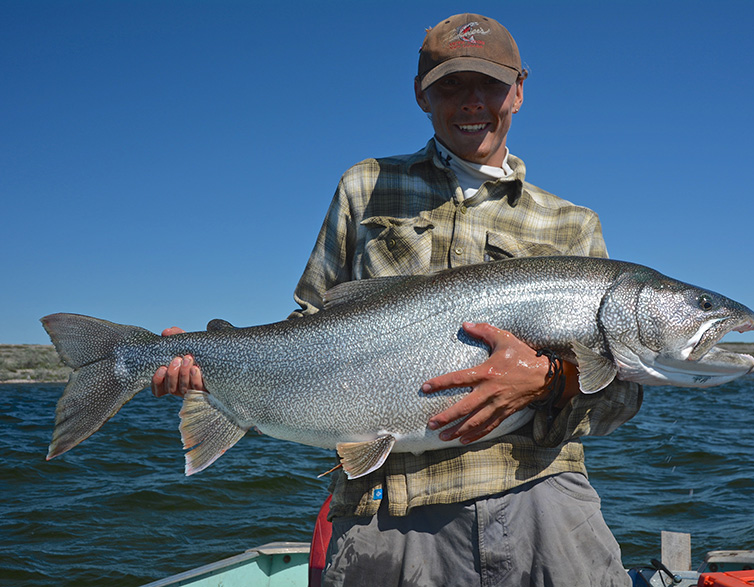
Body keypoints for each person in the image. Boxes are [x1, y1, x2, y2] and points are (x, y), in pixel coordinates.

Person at [153, 13, 642, 586]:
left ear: (519, 90)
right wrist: (214, 363)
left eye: (488, 83)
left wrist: (547, 381)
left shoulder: (574, 226)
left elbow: (620, 398)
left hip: (540, 498)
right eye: (451, 85)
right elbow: (311, 327)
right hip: (386, 508)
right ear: (421, 95)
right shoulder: (365, 185)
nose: (471, 101)